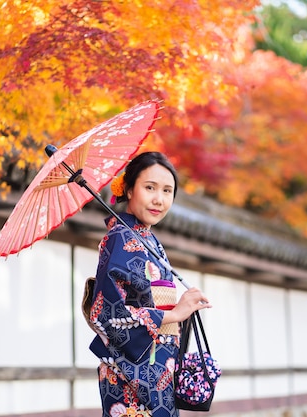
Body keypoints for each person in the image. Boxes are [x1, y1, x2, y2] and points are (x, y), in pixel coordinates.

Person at [89, 152, 212, 417]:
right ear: (129, 189)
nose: (159, 199)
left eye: (168, 191)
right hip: (132, 375)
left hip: (158, 369)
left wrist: (184, 310)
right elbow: (108, 314)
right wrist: (175, 313)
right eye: (150, 188)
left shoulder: (146, 239)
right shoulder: (120, 238)